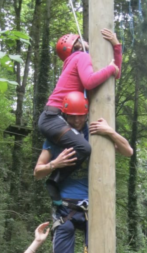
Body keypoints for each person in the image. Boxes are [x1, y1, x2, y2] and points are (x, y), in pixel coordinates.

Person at [34, 92, 133, 253]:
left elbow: (127, 151)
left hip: (94, 210)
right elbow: (37, 172)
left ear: (87, 114)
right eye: (72, 117)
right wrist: (55, 163)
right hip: (65, 209)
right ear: (65, 115)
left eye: (81, 117)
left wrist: (109, 131)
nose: (77, 121)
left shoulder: (94, 132)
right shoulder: (57, 137)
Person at [38, 29, 122, 202]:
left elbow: (115, 73)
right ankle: (56, 180)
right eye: (82, 41)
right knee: (84, 148)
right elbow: (90, 81)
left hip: (52, 118)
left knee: (83, 148)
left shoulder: (74, 61)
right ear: (77, 45)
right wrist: (111, 67)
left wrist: (116, 47)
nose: (87, 43)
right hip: (52, 118)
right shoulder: (81, 57)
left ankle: (56, 179)